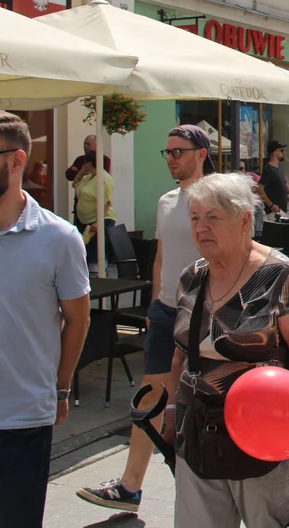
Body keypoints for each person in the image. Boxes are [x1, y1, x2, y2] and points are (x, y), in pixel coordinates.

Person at [0, 110, 91, 527]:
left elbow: (77, 319)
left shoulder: (59, 239)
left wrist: (61, 387)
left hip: (18, 427)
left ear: (17, 161)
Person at [166, 173, 289, 528]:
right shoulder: (191, 277)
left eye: (213, 217)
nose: (201, 227)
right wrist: (172, 408)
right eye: (195, 217)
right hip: (198, 443)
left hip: (265, 444)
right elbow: (180, 352)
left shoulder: (277, 276)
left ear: (244, 221)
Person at [77, 124, 213, 513]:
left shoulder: (217, 200)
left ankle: (204, 496)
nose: (171, 159)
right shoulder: (167, 200)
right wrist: (155, 305)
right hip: (167, 311)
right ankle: (129, 485)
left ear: (201, 154)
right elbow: (160, 256)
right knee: (150, 399)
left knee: (201, 406)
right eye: (167, 152)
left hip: (204, 314)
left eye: (178, 152)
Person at [73, 150, 117, 270]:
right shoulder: (89, 177)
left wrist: (99, 221)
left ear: (89, 163)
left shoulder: (104, 178)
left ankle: (97, 273)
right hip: (85, 220)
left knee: (95, 252)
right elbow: (75, 184)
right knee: (85, 250)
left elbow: (106, 201)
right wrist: (82, 171)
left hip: (99, 220)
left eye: (85, 162)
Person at [65, 133, 112, 229]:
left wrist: (78, 171)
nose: (85, 146)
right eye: (84, 144)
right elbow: (69, 175)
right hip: (80, 209)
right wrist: (82, 171)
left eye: (88, 144)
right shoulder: (80, 159)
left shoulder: (104, 160)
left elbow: (106, 201)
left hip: (95, 217)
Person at [257, 140, 289, 215]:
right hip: (274, 211)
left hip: (282, 210)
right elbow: (259, 189)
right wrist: (271, 205)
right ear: (275, 152)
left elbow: (287, 188)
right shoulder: (268, 169)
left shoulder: (279, 170)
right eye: (281, 150)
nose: (283, 153)